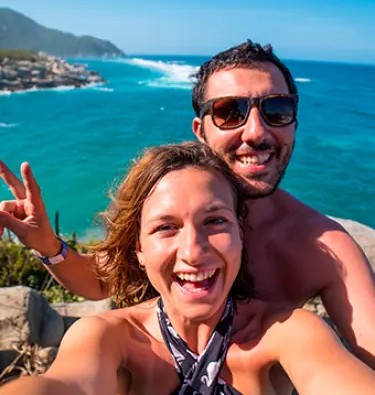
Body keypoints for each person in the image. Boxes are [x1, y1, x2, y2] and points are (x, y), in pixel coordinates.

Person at [0, 40, 375, 371]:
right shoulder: (162, 205)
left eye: (276, 109)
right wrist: (47, 244)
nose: (257, 131)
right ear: (201, 129)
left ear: (294, 122)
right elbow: (99, 282)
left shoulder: (324, 248)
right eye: (230, 111)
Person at [1, 142, 375, 395]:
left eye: (215, 222)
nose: (194, 252)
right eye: (166, 227)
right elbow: (66, 386)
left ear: (241, 237)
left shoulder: (285, 334)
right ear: (139, 250)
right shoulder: (109, 338)